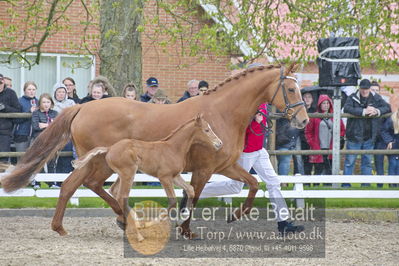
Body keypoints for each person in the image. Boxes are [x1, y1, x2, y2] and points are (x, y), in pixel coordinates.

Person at [200, 103, 304, 234]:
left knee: (273, 183)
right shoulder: (248, 104)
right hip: (247, 153)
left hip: (260, 150)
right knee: (235, 187)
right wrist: (255, 121)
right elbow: (241, 128)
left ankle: (283, 223)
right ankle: (196, 192)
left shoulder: (264, 103)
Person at [343, 79, 391, 187]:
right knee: (350, 162)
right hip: (354, 136)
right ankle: (345, 185)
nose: (365, 91)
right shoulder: (352, 97)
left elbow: (387, 107)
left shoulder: (376, 98)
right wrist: (363, 112)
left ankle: (366, 185)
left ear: (369, 89)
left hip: (369, 136)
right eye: (363, 89)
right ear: (359, 88)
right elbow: (346, 108)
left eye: (366, 89)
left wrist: (376, 111)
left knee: (367, 162)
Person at [305, 95, 346, 179]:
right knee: (318, 169)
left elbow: (342, 129)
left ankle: (328, 185)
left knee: (329, 169)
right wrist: (312, 143)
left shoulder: (335, 116)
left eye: (327, 103)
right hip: (318, 147)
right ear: (320, 104)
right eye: (323, 103)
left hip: (331, 147)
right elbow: (308, 132)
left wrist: (339, 139)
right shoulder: (314, 116)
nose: (326, 105)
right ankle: (316, 186)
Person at [31, 93, 58, 188]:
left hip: (52, 140)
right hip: (40, 141)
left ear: (51, 103)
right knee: (39, 161)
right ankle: (37, 182)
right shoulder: (36, 113)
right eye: (44, 102)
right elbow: (35, 126)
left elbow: (57, 127)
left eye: (48, 102)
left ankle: (51, 183)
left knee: (51, 162)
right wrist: (50, 124)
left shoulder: (55, 113)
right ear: (40, 103)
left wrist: (44, 125)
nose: (46, 104)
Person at [53, 82, 76, 176]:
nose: (61, 94)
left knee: (68, 155)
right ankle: (57, 179)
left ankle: (67, 176)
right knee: (58, 156)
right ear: (55, 93)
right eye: (59, 92)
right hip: (57, 133)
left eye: (63, 92)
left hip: (69, 132)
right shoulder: (52, 104)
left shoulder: (71, 103)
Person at [13, 81, 38, 162]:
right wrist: (29, 112)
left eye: (33, 89)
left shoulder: (39, 102)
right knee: (21, 160)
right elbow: (16, 119)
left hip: (35, 135)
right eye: (29, 89)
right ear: (24, 90)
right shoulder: (19, 101)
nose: (31, 91)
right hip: (21, 134)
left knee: (33, 159)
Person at [370, 81, 389, 187]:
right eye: (373, 90)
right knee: (366, 160)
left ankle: (380, 184)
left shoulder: (384, 104)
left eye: (377, 90)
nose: (375, 92)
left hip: (380, 137)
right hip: (367, 136)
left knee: (379, 160)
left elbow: (388, 117)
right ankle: (366, 184)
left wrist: (377, 111)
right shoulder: (366, 102)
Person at [0, 73, 22, 163]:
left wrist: (4, 107)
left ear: (3, 82)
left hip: (5, 131)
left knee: (3, 158)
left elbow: (18, 111)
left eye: (0, 83)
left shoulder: (11, 93)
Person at [380, 110, 399, 187]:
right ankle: (391, 183)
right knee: (393, 163)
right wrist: (390, 141)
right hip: (393, 145)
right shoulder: (391, 119)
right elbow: (384, 131)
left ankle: (397, 183)